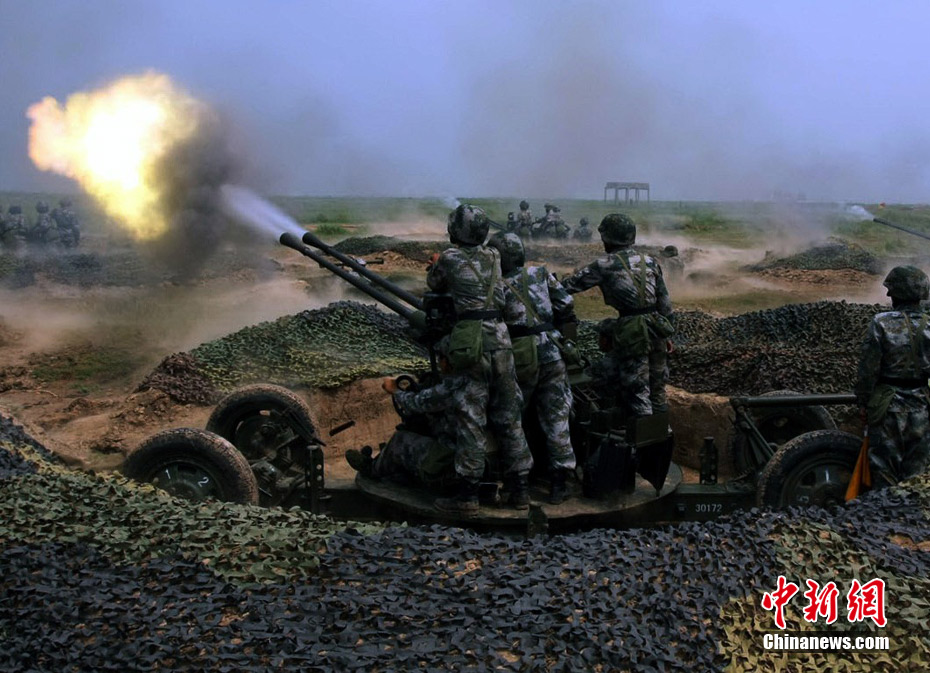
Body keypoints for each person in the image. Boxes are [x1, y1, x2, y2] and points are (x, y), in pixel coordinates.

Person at [425, 204, 533, 512]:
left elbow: (435, 284)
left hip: (472, 343)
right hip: (501, 340)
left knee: (471, 418)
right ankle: (520, 490)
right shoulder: (495, 256)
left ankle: (467, 496)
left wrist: (436, 263)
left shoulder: (450, 258)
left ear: (455, 230)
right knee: (509, 417)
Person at [488, 232, 577, 504]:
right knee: (557, 416)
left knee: (511, 418)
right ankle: (560, 483)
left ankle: (519, 486)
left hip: (520, 356)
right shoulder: (540, 273)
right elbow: (566, 304)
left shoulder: (496, 284)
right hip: (553, 351)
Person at [562, 213, 674, 418]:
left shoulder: (604, 265)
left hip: (632, 331)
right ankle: (662, 430)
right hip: (657, 328)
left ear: (608, 238)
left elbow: (568, 287)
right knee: (657, 388)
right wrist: (667, 335)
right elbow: (665, 304)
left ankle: (644, 432)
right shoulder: (649, 261)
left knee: (637, 389)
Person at [855, 265, 930, 488]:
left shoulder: (881, 322)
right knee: (916, 475)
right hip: (922, 407)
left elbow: (868, 370)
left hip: (887, 408)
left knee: (884, 473)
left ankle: (886, 508)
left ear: (896, 293)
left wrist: (863, 402)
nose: (888, 294)